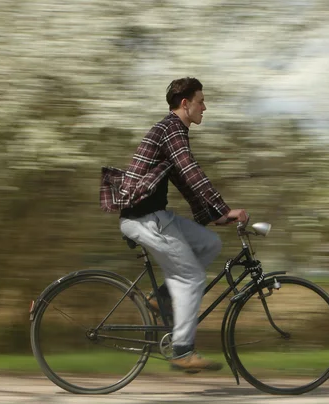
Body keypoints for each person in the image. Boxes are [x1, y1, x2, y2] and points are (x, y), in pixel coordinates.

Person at [100, 77, 248, 372]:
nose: (205, 107)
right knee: (192, 277)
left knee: (210, 243)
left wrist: (213, 216)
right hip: (144, 219)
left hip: (156, 217)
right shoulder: (171, 130)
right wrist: (225, 208)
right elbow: (192, 173)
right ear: (186, 104)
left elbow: (184, 182)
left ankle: (162, 298)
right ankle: (182, 351)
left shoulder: (172, 132)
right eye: (201, 101)